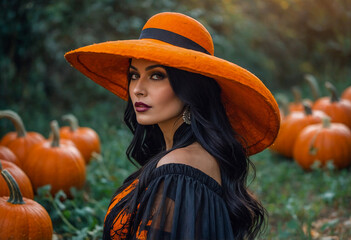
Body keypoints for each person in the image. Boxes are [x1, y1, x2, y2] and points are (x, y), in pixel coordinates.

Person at [65, 12, 280, 240]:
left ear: (189, 89)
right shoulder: (193, 157)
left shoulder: (177, 171)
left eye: (156, 76)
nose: (138, 89)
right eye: (134, 75)